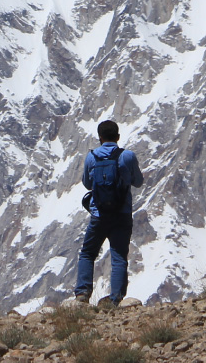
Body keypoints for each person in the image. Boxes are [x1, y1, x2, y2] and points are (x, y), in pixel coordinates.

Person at [73, 119, 143, 306]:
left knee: (88, 253)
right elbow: (138, 181)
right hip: (122, 213)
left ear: (100, 138)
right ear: (118, 137)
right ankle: (116, 299)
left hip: (99, 214)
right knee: (119, 256)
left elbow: (88, 183)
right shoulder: (127, 156)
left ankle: (82, 294)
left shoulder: (92, 157)